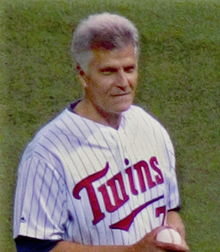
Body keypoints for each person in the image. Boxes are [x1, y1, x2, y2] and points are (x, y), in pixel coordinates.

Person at [13, 12, 189, 252]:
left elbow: (170, 206)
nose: (123, 82)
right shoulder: (46, 153)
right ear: (83, 76)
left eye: (129, 69)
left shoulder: (150, 127)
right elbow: (35, 248)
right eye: (108, 71)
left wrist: (172, 228)